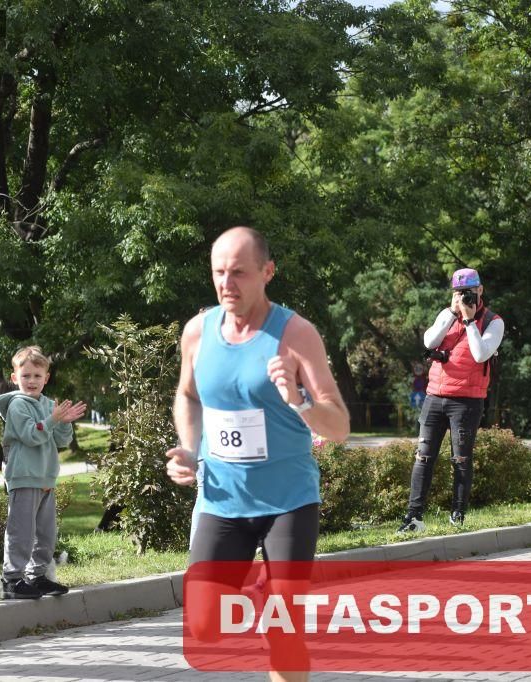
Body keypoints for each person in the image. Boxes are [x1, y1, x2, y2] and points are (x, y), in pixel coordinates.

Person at [165, 226, 350, 682]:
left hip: (288, 502)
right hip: (222, 500)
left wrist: (300, 401)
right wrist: (189, 447)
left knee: (286, 631)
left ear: (268, 272)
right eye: (219, 273)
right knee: (204, 626)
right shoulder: (198, 332)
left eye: (239, 273)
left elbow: (340, 427)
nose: (227, 284)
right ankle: (261, 595)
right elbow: (187, 396)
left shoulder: (296, 334)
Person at [398, 267, 504, 532]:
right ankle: (414, 518)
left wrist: (469, 321)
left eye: (468, 291)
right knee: (423, 457)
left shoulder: (493, 321)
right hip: (435, 396)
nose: (463, 296)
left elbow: (480, 354)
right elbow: (429, 342)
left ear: (480, 290)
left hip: (466, 402)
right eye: (458, 292)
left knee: (461, 460)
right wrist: (451, 314)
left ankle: (457, 515)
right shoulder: (446, 314)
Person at [0, 346, 86, 600]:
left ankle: (37, 576)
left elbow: (61, 441)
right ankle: (11, 580)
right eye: (26, 376)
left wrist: (63, 422)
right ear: (15, 378)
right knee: (21, 532)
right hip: (23, 477)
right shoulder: (17, 405)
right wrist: (53, 419)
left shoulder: (48, 404)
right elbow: (31, 435)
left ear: (46, 378)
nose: (31, 381)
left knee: (46, 533)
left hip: (45, 478)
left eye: (37, 376)